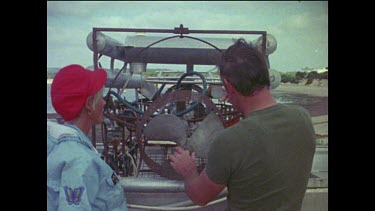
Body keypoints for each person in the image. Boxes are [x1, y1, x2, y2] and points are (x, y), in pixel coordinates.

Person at [170, 38, 316, 210]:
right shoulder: (303, 118)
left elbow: (200, 197)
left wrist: (189, 171)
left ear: (229, 86)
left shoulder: (229, 140)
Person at [47, 64, 128, 210]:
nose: (104, 103)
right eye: (101, 97)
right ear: (89, 104)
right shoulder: (79, 160)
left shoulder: (56, 143)